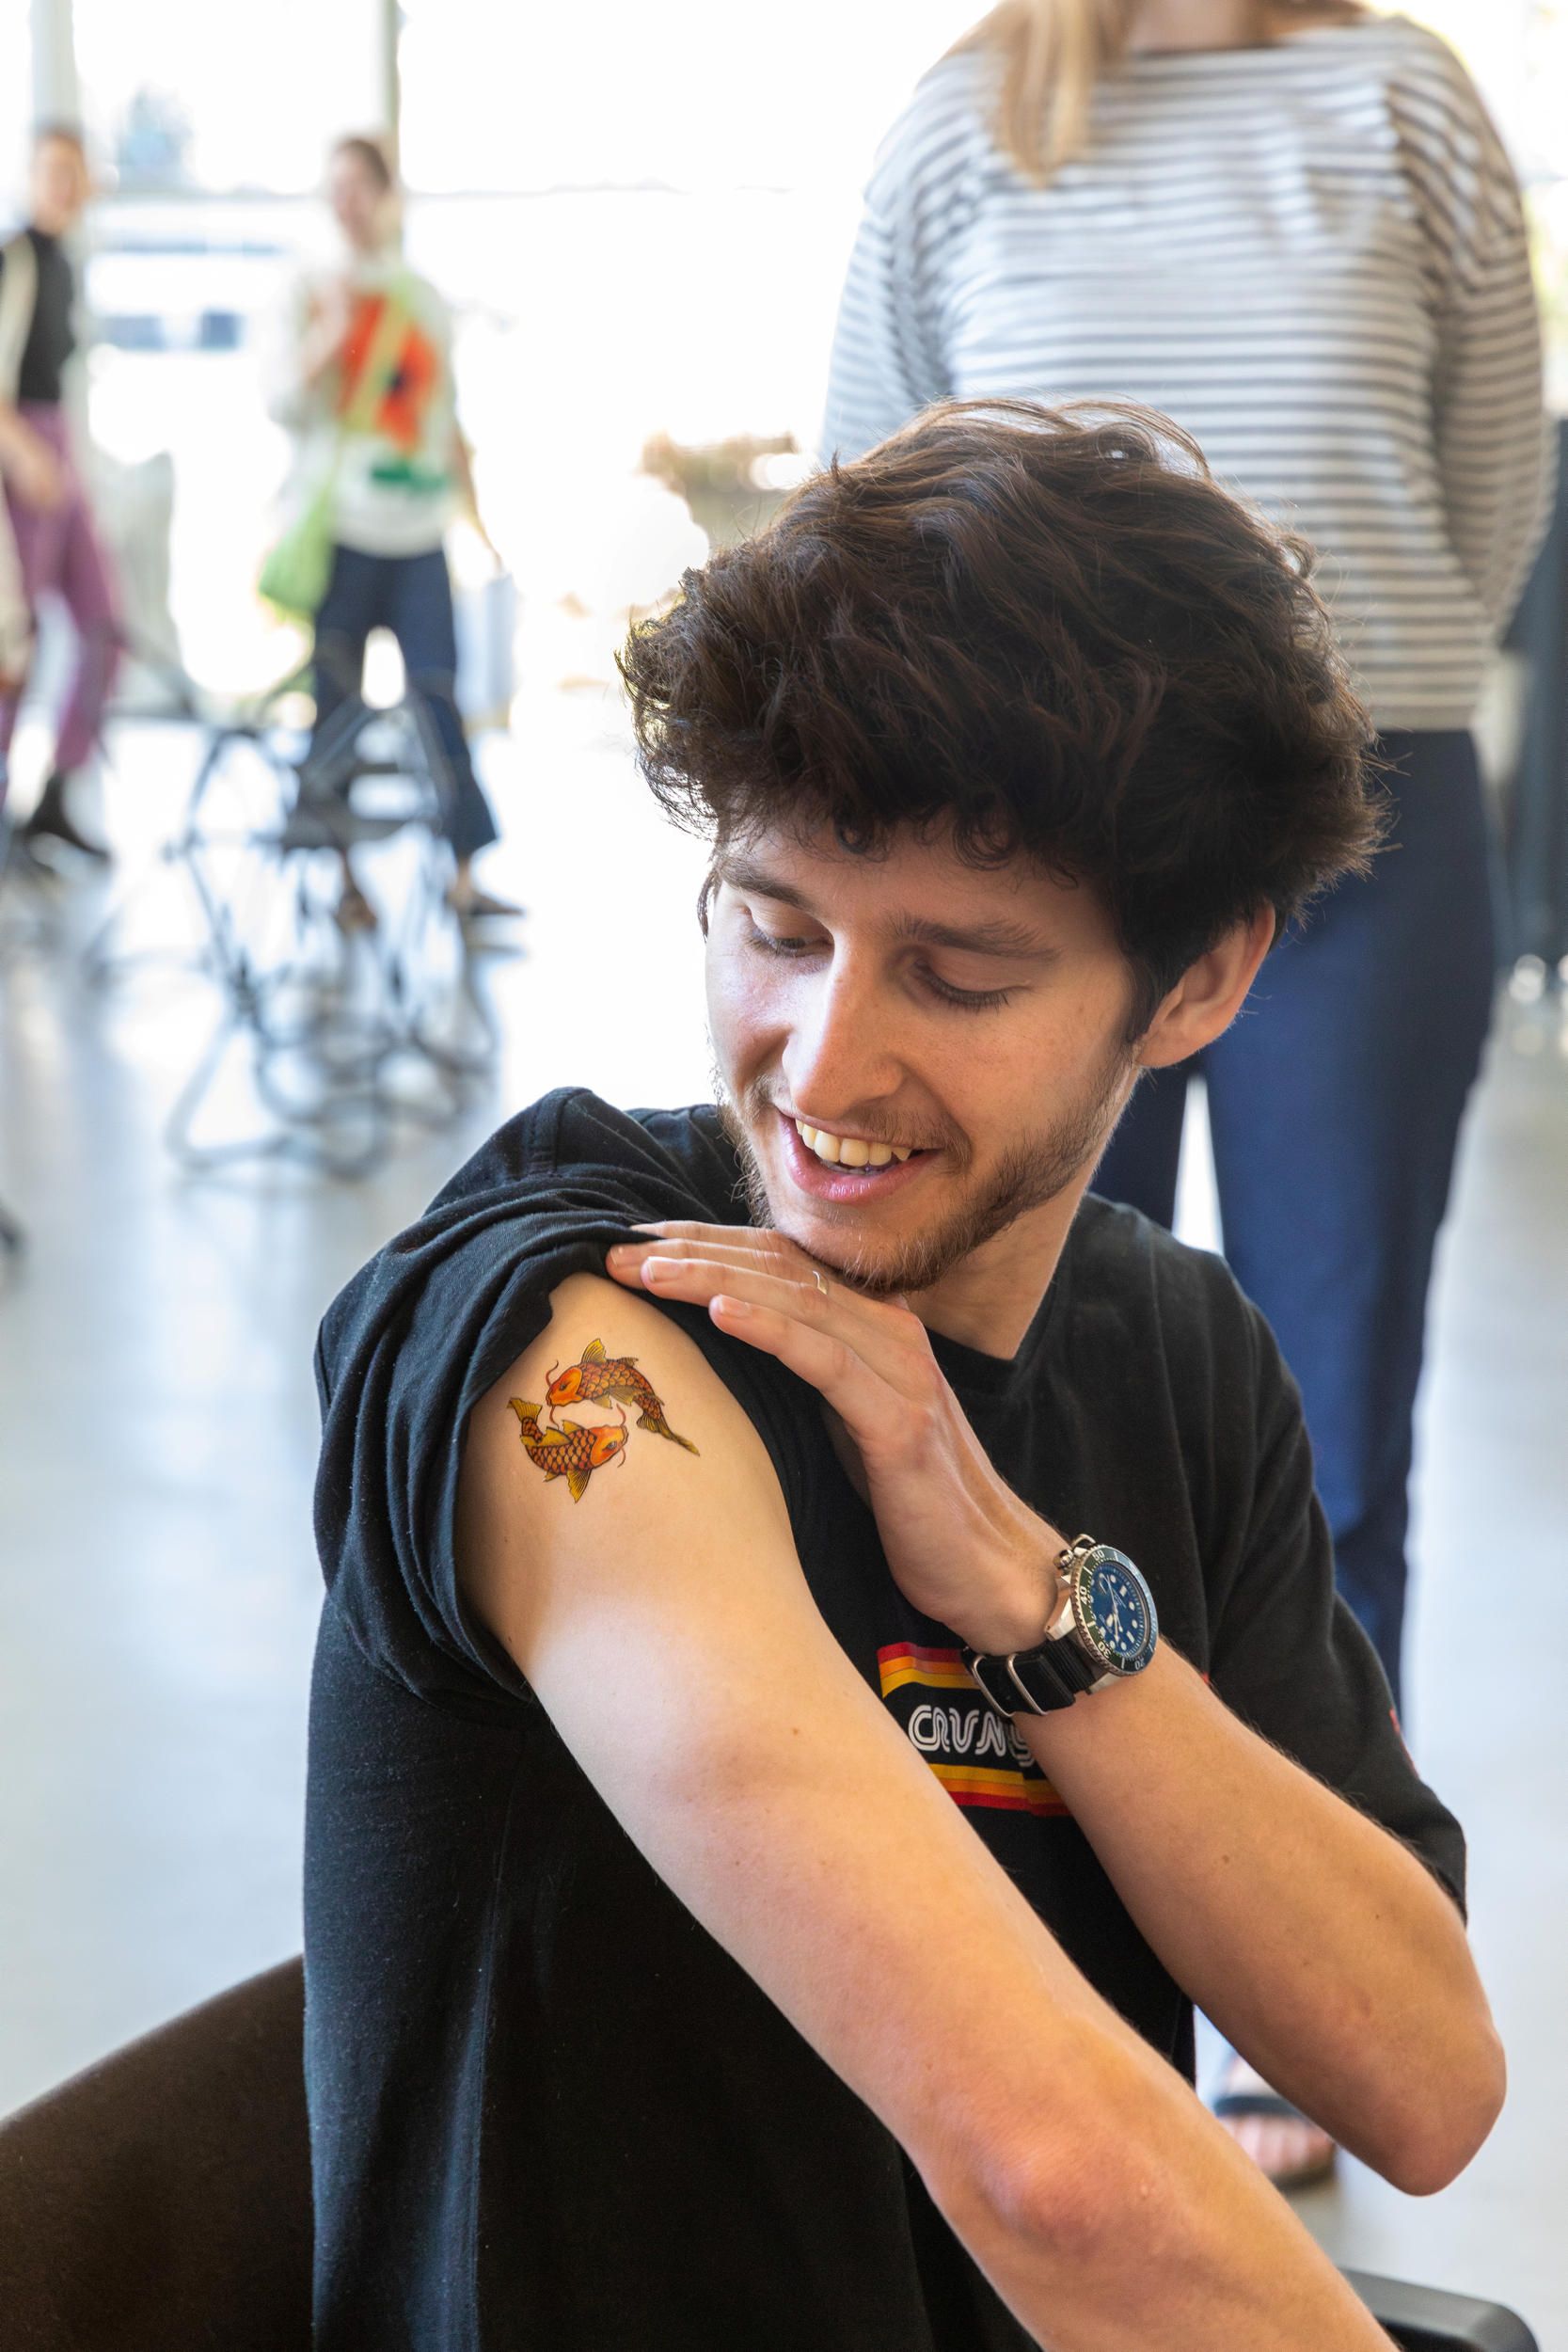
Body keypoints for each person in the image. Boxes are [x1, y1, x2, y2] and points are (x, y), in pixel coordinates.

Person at [305, 402, 1504, 2350]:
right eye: (773, 927)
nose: (823, 1063)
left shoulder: (1172, 1350)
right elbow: (1051, 2162)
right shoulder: (568, 1326)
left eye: (956, 976)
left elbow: (1418, 2078)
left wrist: (1038, 1604)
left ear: (1195, 982)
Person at [821, 0, 1550, 2184]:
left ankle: (1291, 1983)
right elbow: (879, 479)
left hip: (1364, 825)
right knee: (984, 1389)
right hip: (1027, 845)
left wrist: (1335, 698)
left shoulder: (1401, 91)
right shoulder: (965, 119)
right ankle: (995, 1932)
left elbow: (1498, 480)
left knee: (1330, 1426)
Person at [268, 134, 515, 928]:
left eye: (360, 186)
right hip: (341, 528)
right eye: (333, 186)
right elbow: (279, 402)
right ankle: (341, 878)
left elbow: (445, 420)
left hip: (417, 534)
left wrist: (477, 524)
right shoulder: (307, 290)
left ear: (386, 195)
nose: (348, 201)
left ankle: (464, 876)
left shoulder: (421, 299)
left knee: (438, 696)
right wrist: (328, 335)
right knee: (334, 704)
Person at [0, 124, 120, 863]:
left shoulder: (67, 266)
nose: (62, 186)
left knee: (104, 625)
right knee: (15, 644)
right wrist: (23, 452)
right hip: (22, 459)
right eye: (51, 172)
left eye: (73, 173)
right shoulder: (13, 260)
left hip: (64, 455)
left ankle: (55, 794)